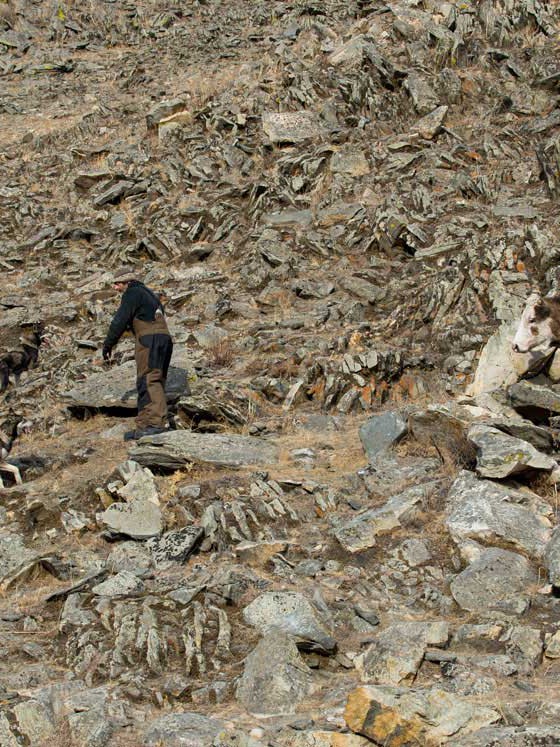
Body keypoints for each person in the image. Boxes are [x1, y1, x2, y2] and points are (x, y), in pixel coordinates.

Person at [102, 266, 173, 441]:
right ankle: (144, 425)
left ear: (126, 281)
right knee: (153, 379)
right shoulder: (149, 294)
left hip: (149, 339)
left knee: (149, 379)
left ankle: (155, 425)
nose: (115, 288)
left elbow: (120, 320)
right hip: (164, 339)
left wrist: (108, 345)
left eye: (117, 283)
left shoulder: (132, 293)